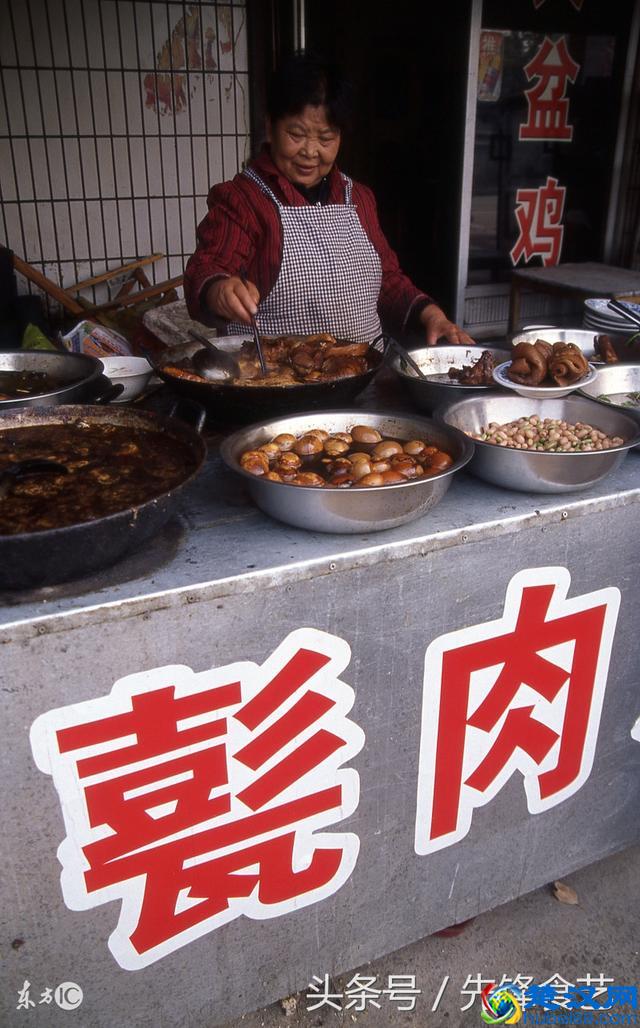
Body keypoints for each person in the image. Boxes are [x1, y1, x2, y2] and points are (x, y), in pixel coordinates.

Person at [184, 53, 473, 347]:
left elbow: (386, 279)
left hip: (360, 379)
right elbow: (208, 267)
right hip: (272, 385)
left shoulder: (358, 197)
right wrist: (219, 290)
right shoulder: (242, 200)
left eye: (325, 138)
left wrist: (431, 314)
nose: (310, 151)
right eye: (296, 134)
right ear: (270, 127)